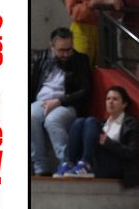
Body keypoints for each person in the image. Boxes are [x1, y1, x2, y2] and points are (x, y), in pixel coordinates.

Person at [30, 27, 92, 176]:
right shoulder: (41, 58)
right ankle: (40, 167)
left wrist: (59, 101)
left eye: (69, 49)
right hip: (42, 101)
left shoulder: (80, 60)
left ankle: (66, 162)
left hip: (67, 103)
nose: (65, 54)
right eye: (61, 50)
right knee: (30, 116)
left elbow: (85, 91)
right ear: (52, 47)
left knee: (52, 120)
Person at [56, 85, 139, 185]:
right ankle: (69, 163)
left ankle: (85, 164)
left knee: (91, 121)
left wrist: (108, 143)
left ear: (124, 104)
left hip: (118, 166)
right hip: (98, 161)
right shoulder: (103, 124)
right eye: (108, 99)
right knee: (79, 122)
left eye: (115, 99)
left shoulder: (131, 124)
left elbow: (132, 153)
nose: (110, 102)